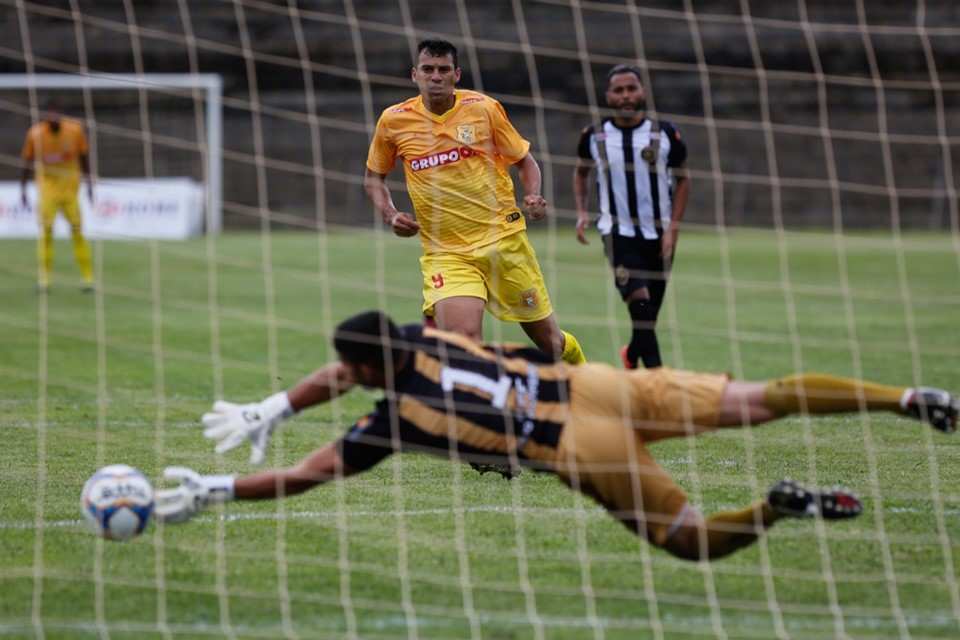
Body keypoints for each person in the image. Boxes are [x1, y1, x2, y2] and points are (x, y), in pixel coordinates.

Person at [155, 310, 958, 562]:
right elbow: (345, 368)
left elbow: (308, 475)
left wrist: (220, 487)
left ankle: (777, 508)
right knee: (765, 398)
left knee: (687, 543)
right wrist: (277, 405)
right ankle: (903, 396)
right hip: (597, 383)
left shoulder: (391, 423)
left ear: (365, 366)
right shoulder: (428, 337)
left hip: (575, 446)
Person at [364, 38, 586, 366]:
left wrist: (533, 194)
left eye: (443, 70)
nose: (435, 76)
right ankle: (484, 411)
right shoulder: (393, 120)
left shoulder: (483, 108)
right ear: (415, 75)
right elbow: (373, 178)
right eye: (428, 69)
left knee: (550, 344)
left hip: (502, 242)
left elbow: (524, 161)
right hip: (446, 252)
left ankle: (584, 377)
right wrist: (390, 214)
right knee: (463, 345)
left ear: (456, 74)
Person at [574, 64, 690, 369]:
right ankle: (658, 380)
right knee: (639, 305)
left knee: (648, 314)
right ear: (608, 96)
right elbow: (581, 171)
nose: (626, 96)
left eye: (631, 89)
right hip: (617, 232)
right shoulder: (594, 136)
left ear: (642, 92)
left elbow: (683, 180)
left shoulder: (665, 134)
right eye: (619, 90)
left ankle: (633, 354)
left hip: (660, 234)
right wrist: (582, 212)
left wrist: (673, 229)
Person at [21, 98, 95, 292]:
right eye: (49, 114)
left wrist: (89, 185)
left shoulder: (75, 131)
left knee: (78, 232)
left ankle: (88, 278)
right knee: (46, 233)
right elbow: (27, 162)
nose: (53, 117)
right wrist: (23, 189)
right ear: (45, 117)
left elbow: (84, 157)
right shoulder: (35, 134)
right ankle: (44, 280)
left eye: (56, 113)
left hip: (71, 191)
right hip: (48, 191)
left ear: (60, 115)